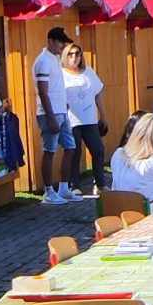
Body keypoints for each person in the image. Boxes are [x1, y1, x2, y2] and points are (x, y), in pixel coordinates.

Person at [32, 27, 80, 204]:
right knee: (49, 151)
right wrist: (50, 116)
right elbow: (43, 92)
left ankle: (64, 188)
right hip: (49, 114)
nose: (62, 46)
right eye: (60, 42)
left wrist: (63, 103)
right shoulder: (43, 61)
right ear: (51, 41)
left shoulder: (55, 59)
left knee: (70, 148)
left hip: (61, 112)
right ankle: (48, 191)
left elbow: (55, 86)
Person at [61, 42, 107, 195]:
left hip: (90, 120)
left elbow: (98, 93)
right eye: (71, 54)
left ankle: (100, 184)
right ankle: (74, 185)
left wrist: (103, 115)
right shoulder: (61, 74)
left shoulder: (88, 72)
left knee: (98, 150)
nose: (74, 57)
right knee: (74, 152)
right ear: (65, 56)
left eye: (77, 54)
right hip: (71, 121)